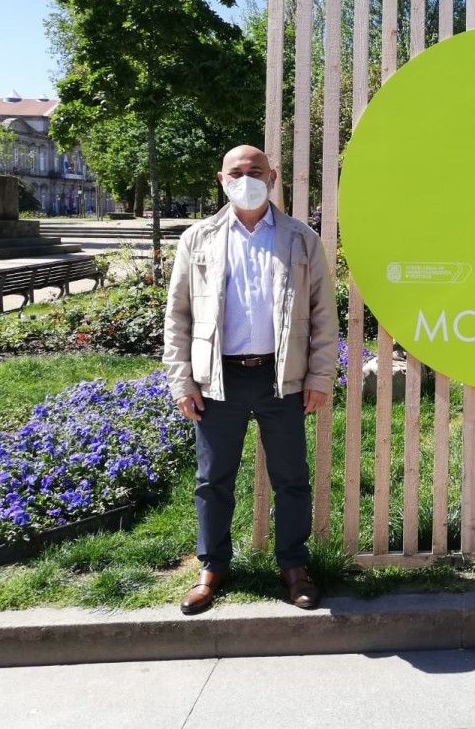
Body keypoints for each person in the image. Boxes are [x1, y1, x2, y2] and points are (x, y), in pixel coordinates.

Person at [164, 145, 338, 615]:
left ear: (274, 177)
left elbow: (323, 315)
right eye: (237, 172)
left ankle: (295, 568)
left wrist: (321, 376)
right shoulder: (197, 239)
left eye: (255, 171)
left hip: (282, 378)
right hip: (218, 379)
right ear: (220, 179)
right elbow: (178, 315)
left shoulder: (301, 239)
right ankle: (213, 567)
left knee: (291, 480)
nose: (246, 178)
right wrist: (183, 382)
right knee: (212, 480)